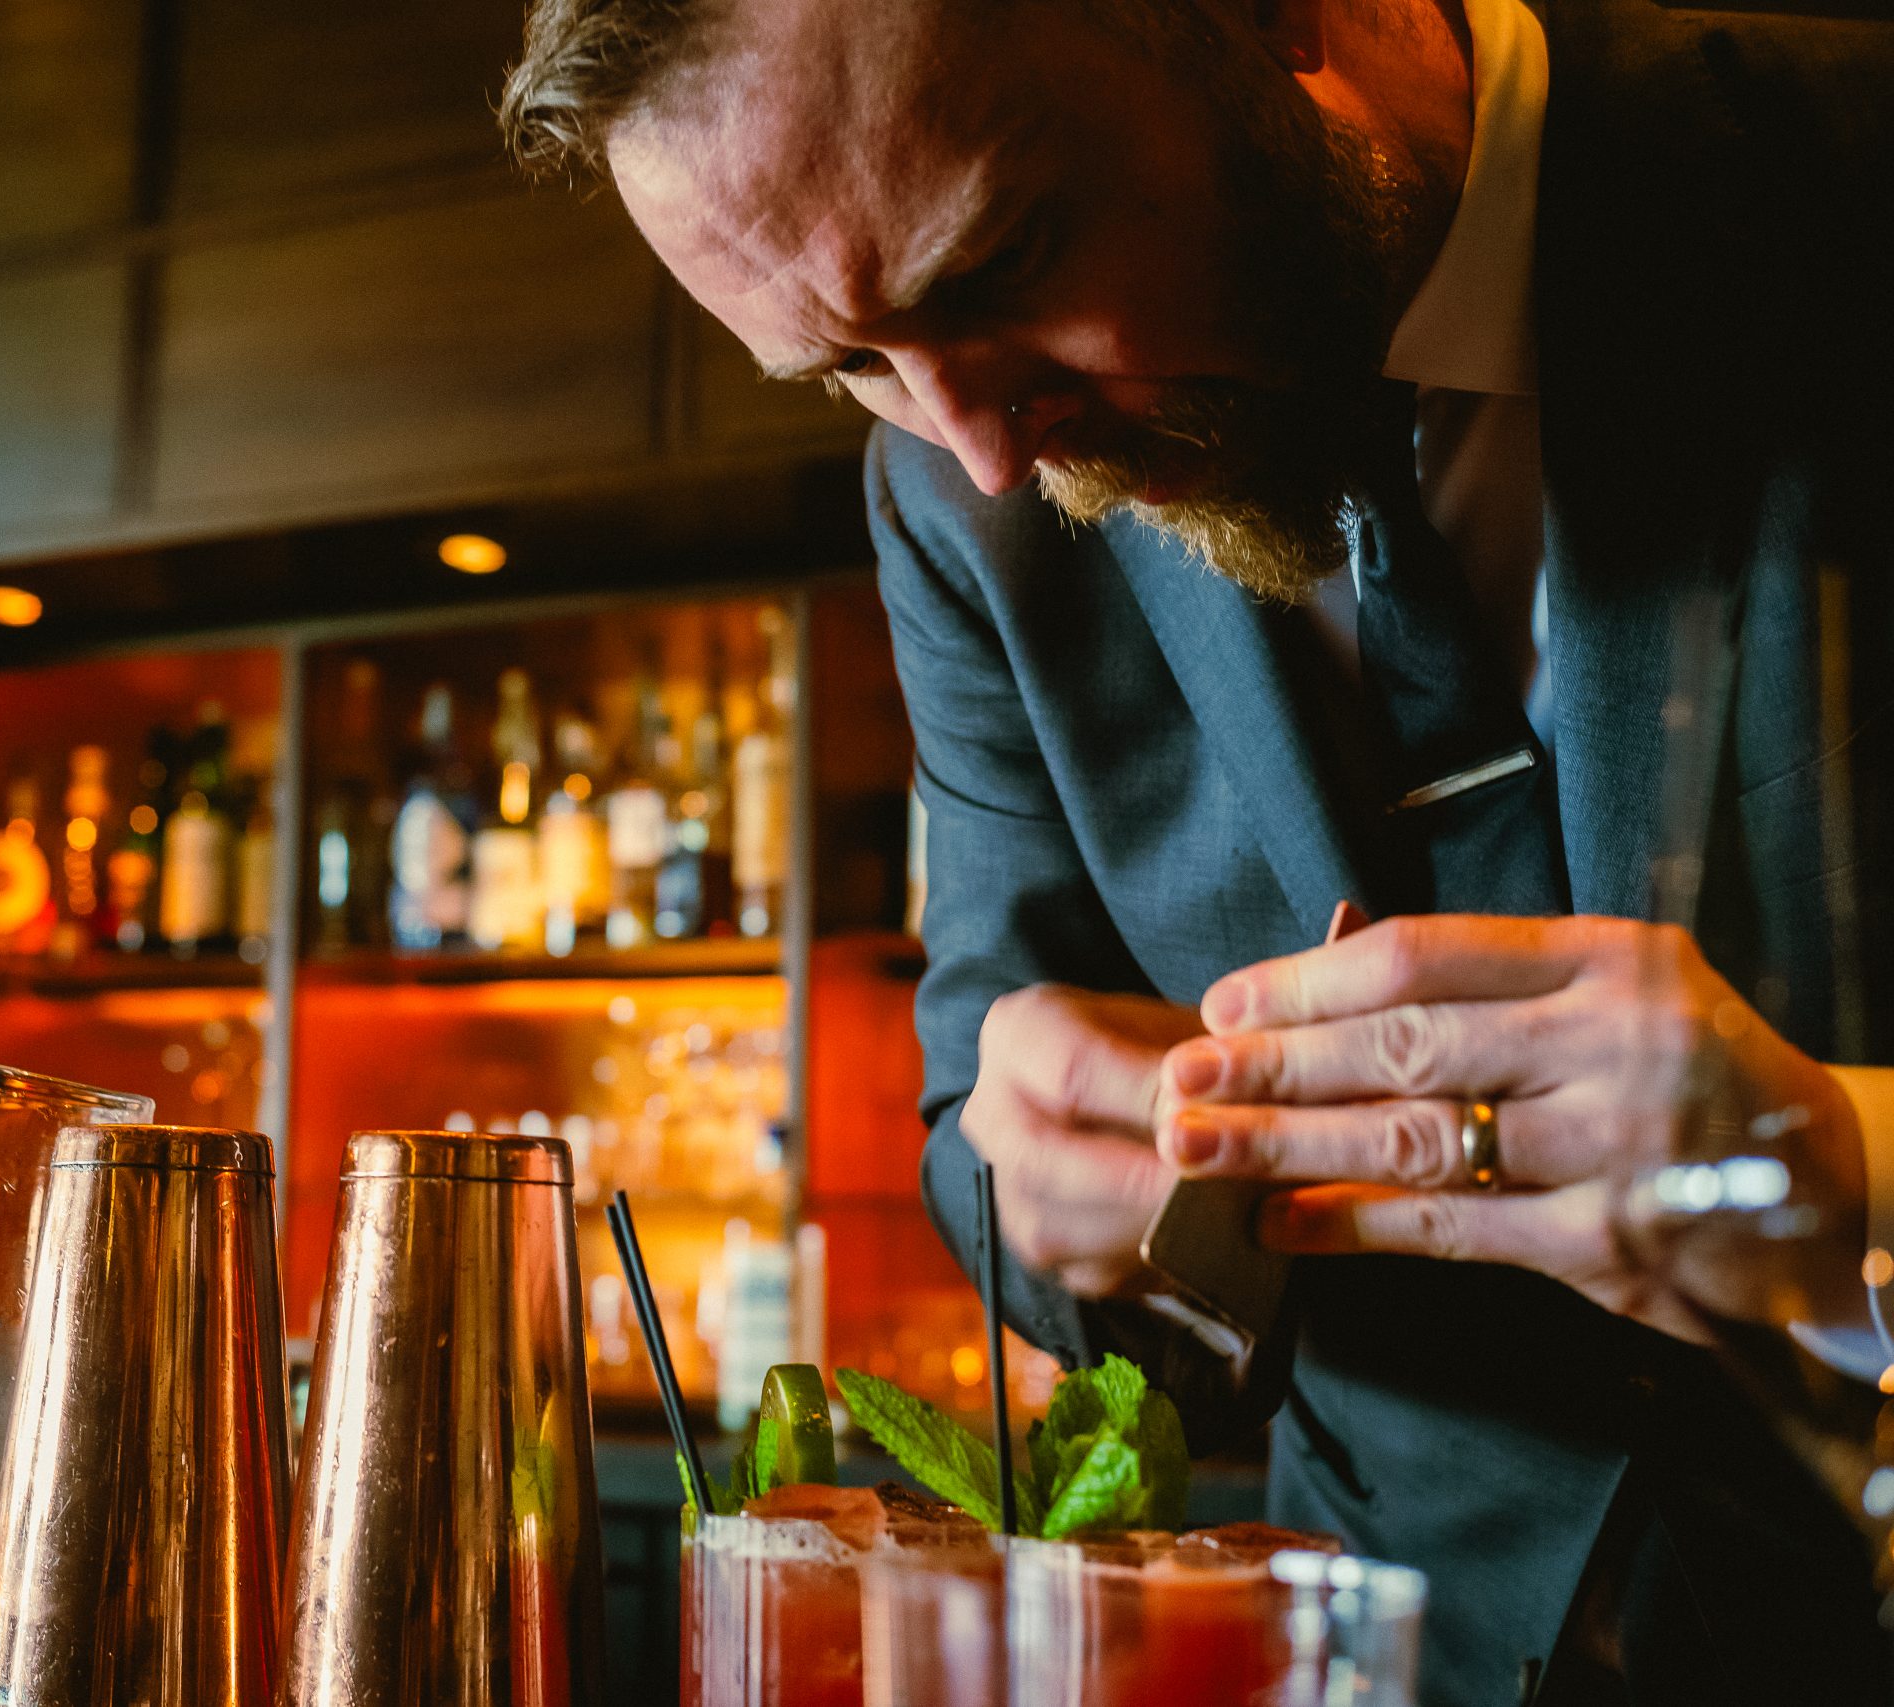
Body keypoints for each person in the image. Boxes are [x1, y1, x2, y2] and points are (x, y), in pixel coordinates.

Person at [503, 0, 1894, 1701]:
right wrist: (1079, 1183)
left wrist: (1844, 1175)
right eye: (853, 367)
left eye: (1005, 253)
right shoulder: (957, 503)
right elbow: (977, 1132)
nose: (990, 452)